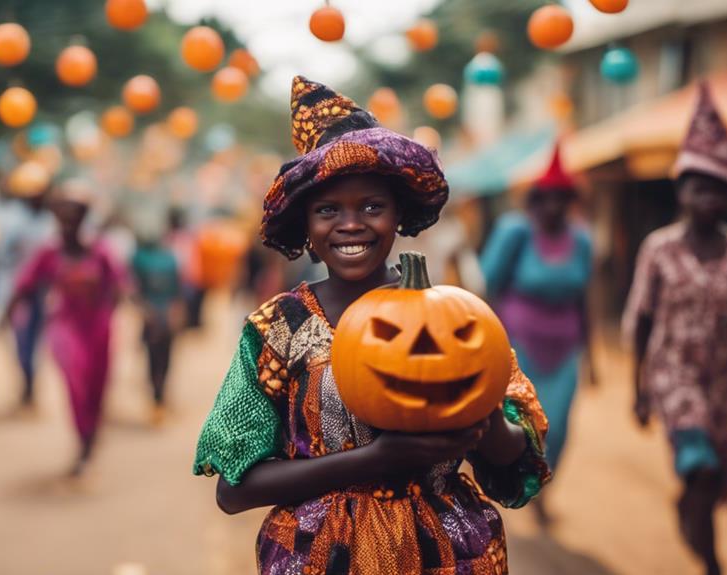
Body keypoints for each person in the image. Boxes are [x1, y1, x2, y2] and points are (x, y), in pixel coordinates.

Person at [193, 77, 550, 574]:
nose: (351, 223)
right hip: (318, 555)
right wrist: (375, 459)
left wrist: (486, 421)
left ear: (398, 215)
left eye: (371, 206)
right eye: (328, 210)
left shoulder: (455, 318)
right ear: (307, 229)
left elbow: (516, 461)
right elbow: (234, 491)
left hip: (447, 555)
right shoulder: (278, 327)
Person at [623, 82, 727, 575]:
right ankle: (714, 563)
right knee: (700, 469)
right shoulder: (659, 248)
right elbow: (641, 317)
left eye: (720, 189)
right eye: (701, 188)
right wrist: (637, 389)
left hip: (725, 379)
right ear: (682, 191)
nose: (711, 199)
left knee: (717, 476)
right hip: (672, 374)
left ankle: (689, 512)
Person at [479, 143, 594, 523]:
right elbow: (487, 287)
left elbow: (584, 298)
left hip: (565, 350)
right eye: (546, 198)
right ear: (535, 199)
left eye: (562, 198)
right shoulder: (515, 232)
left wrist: (592, 358)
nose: (554, 206)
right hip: (517, 347)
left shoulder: (581, 241)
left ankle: (540, 488)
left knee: (557, 429)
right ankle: (513, 487)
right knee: (519, 424)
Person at [6, 185, 126, 476]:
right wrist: (3, 316)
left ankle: (91, 435)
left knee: (97, 384)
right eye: (63, 214)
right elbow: (24, 285)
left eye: (75, 214)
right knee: (75, 379)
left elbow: (121, 284)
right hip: (64, 324)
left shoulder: (100, 249)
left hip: (98, 325)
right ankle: (82, 435)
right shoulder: (49, 252)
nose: (69, 220)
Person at [0, 176, 54, 410]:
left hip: (43, 290)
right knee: (21, 339)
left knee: (39, 340)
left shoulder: (49, 220)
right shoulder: (12, 220)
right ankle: (25, 381)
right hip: (17, 290)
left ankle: (31, 383)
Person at [131, 230, 184, 425]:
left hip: (156, 317)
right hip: (159, 317)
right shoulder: (168, 258)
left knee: (156, 360)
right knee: (161, 359)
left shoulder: (142, 259)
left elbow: (134, 291)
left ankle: (158, 398)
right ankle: (158, 398)